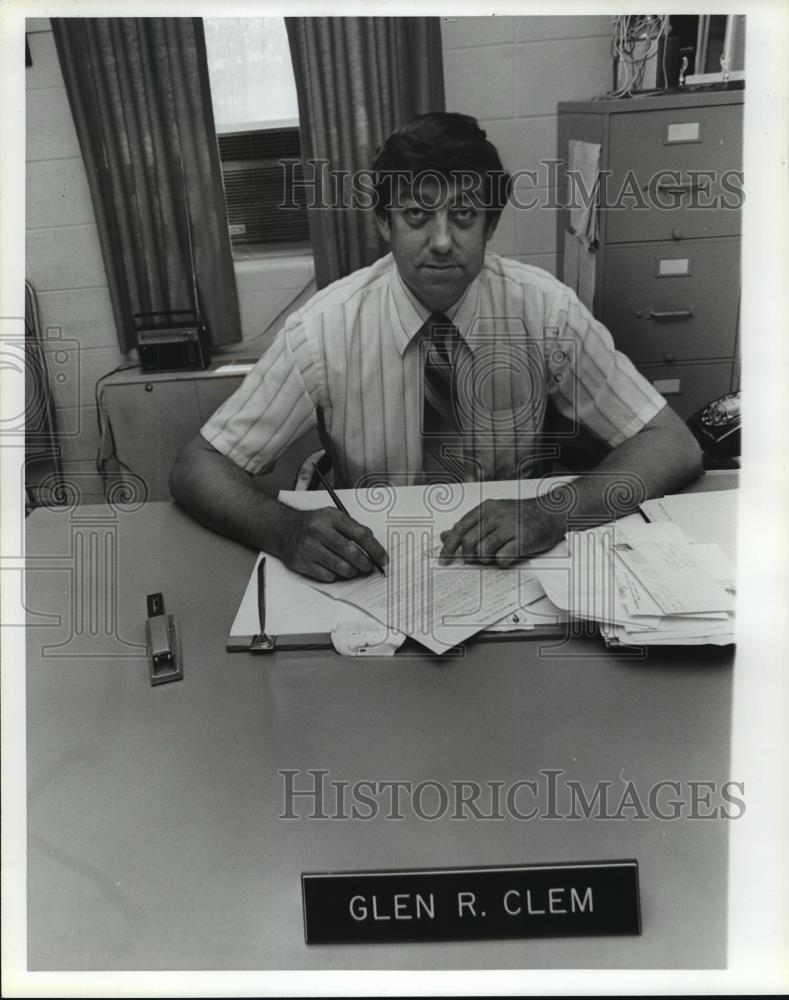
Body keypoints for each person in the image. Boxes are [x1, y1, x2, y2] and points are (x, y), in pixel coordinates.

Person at [170, 112, 702, 582]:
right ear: (385, 223)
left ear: (491, 224)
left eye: (465, 215)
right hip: (373, 571)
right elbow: (198, 466)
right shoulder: (324, 328)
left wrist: (551, 513)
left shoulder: (544, 311)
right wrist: (284, 529)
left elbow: (671, 443)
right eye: (417, 216)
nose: (442, 241)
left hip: (510, 567)